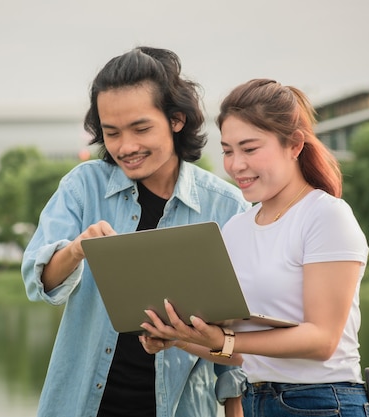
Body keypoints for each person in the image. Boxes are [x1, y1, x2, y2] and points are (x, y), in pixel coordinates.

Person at [21, 46, 250, 417]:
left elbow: (235, 344)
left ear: (176, 120)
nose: (126, 147)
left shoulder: (226, 207)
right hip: (80, 406)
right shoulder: (83, 186)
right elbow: (39, 283)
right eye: (111, 133)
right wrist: (78, 249)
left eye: (141, 128)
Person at [140, 78, 369, 417]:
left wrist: (224, 341)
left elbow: (322, 340)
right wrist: (179, 337)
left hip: (324, 403)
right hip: (256, 399)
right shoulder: (237, 227)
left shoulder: (326, 215)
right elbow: (241, 353)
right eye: (227, 150)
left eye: (250, 149)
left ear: (294, 144)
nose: (236, 165)